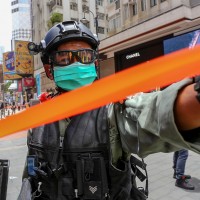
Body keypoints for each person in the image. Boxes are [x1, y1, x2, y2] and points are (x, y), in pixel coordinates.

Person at [19, 20, 200, 200]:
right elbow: (29, 181)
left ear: (94, 63)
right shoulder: (38, 121)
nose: (76, 63)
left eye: (85, 56)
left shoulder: (112, 112)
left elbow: (158, 113)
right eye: (64, 57)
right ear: (49, 69)